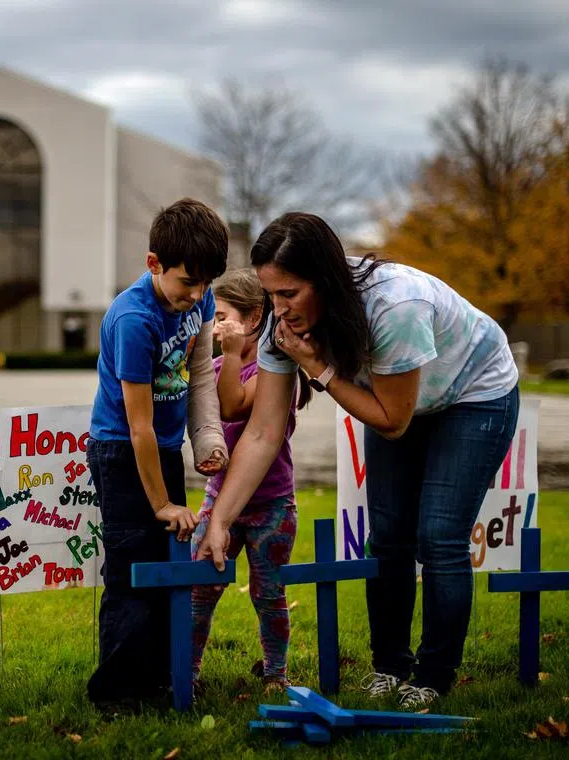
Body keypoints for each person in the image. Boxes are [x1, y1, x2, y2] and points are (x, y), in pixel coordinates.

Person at [198, 213, 519, 709]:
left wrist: (317, 367)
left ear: (324, 280)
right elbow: (261, 433)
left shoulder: (396, 306)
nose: (277, 311)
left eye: (289, 294)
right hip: (400, 400)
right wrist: (221, 519)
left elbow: (392, 420)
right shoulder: (281, 327)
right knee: (388, 534)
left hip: (473, 395)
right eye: (270, 295)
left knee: (438, 536)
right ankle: (390, 666)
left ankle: (433, 675)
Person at [85, 198, 230, 710]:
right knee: (131, 569)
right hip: (121, 451)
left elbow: (200, 378)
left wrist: (206, 439)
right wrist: (163, 502)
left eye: (206, 284)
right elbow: (138, 425)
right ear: (154, 265)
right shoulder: (133, 320)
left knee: (167, 561)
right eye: (187, 282)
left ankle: (164, 679)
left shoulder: (201, 302)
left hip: (163, 450)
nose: (196, 296)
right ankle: (117, 691)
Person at [189, 268, 311, 693]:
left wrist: (235, 354)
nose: (215, 324)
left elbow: (232, 406)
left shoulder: (275, 371)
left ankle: (276, 674)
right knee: (198, 591)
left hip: (272, 506)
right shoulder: (218, 364)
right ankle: (188, 674)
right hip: (220, 498)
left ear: (255, 316)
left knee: (269, 594)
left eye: (222, 315)